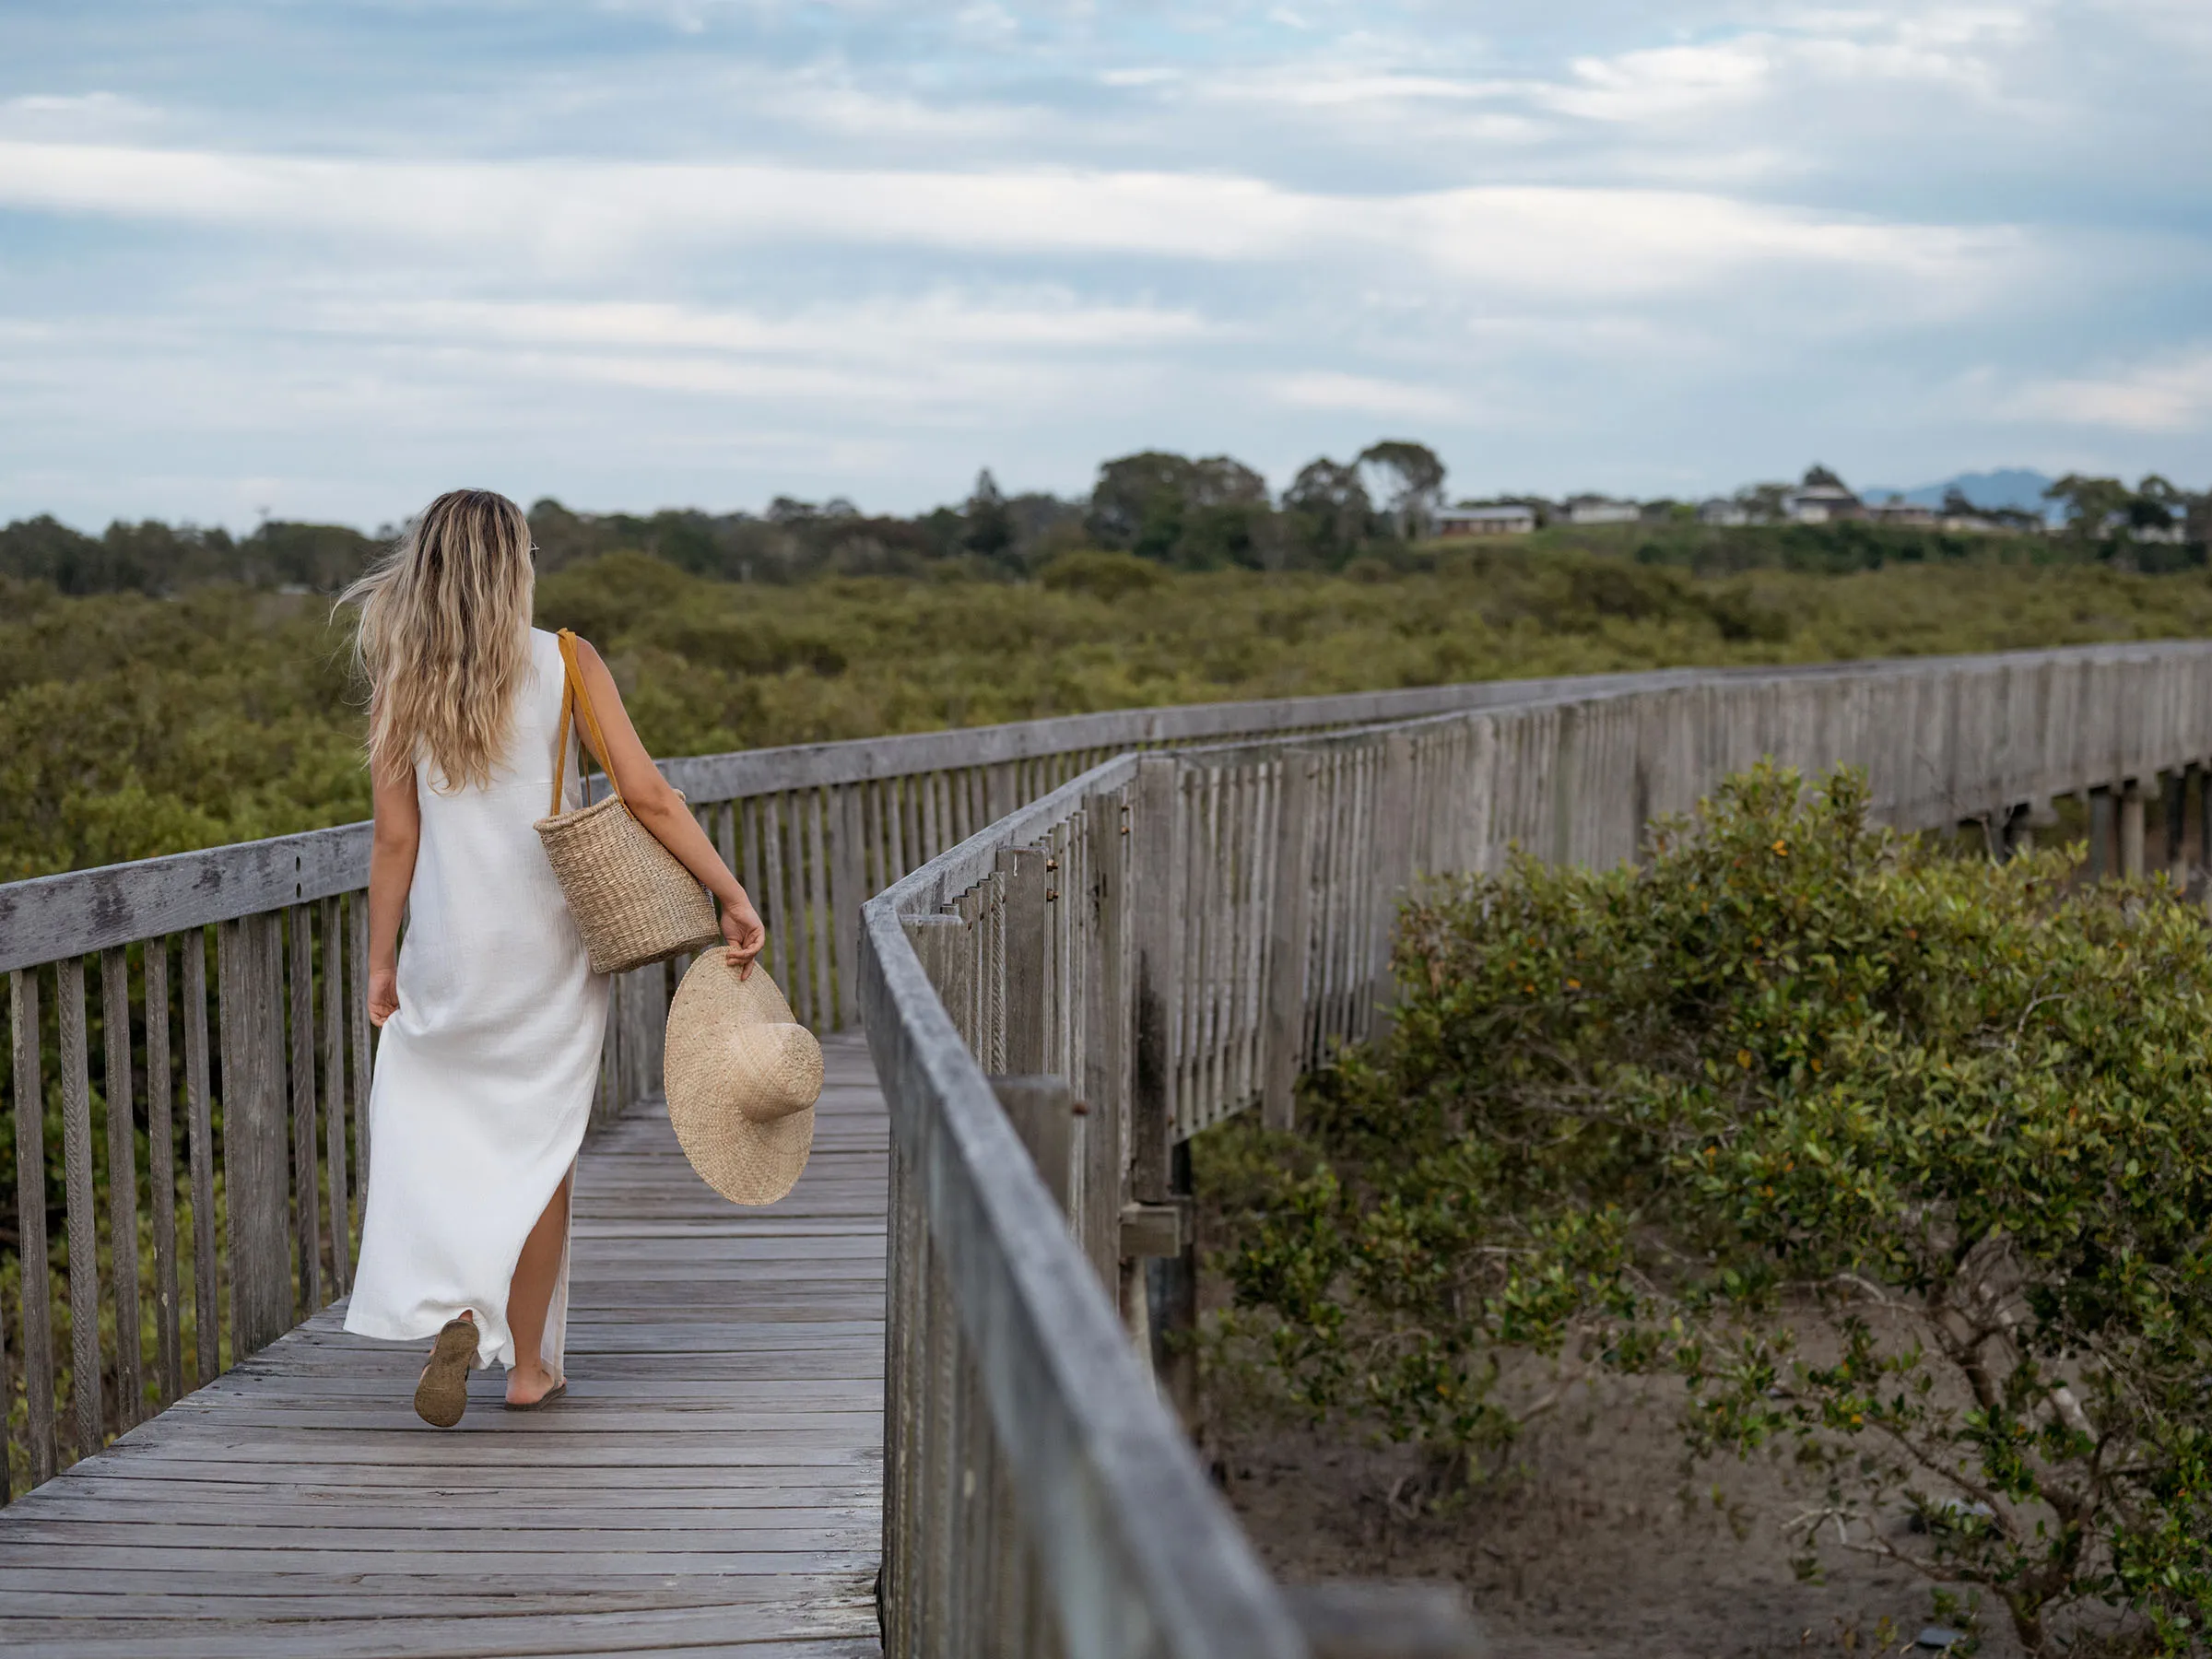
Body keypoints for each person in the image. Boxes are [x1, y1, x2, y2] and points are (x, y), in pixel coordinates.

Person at [337, 488, 765, 1427]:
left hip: (447, 954)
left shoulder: (405, 674)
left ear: (429, 566)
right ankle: (527, 1366)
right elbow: (646, 795)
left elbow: (393, 841)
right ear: (517, 564)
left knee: (439, 1141)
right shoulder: (566, 661)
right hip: (547, 950)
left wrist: (381, 962)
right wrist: (725, 892)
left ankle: (458, 1305)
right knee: (542, 1152)